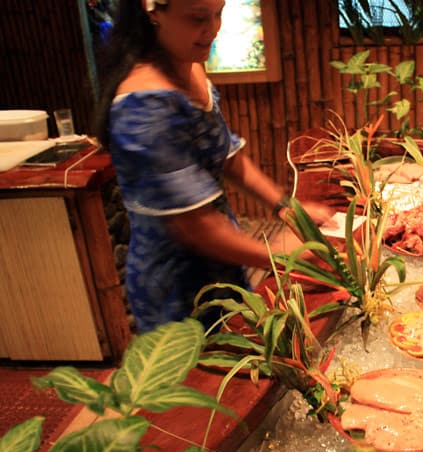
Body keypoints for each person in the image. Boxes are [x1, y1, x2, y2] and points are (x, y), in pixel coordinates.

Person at [93, 0, 333, 333]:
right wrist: (283, 255)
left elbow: (228, 156)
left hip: (223, 257)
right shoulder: (144, 105)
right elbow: (194, 227)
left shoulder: (190, 66)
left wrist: (288, 207)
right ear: (153, 11)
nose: (213, 28)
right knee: (201, 376)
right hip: (176, 283)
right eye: (197, 18)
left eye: (218, 13)